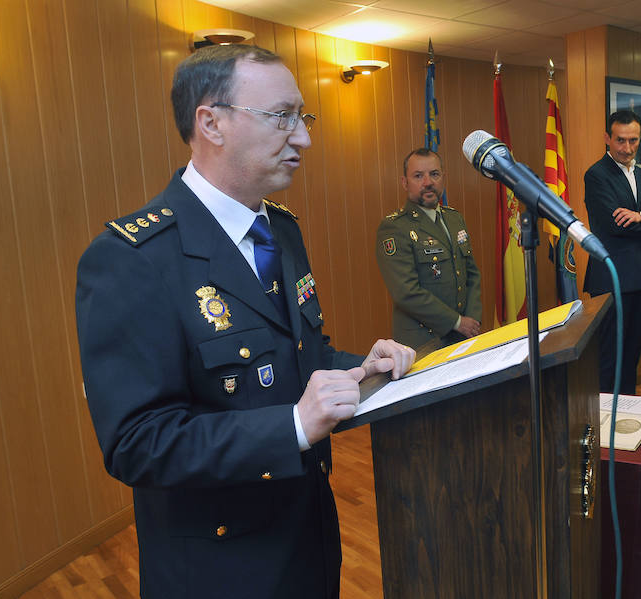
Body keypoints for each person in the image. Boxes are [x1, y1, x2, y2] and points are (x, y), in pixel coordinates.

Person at [75, 44, 415, 599]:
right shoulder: (132, 258)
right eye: (282, 117)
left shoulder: (279, 230)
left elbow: (297, 357)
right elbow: (138, 442)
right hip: (222, 567)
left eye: (302, 118)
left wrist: (361, 367)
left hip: (308, 538)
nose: (303, 137)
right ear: (211, 123)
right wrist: (292, 429)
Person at [582, 110, 641, 394]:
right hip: (612, 279)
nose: (627, 148)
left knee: (632, 353)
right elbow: (615, 225)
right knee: (610, 357)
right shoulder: (596, 175)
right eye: (621, 140)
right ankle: (606, 421)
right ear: (607, 138)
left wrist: (640, 217)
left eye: (633, 140)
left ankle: (627, 411)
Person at [375, 148, 482, 349]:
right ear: (404, 183)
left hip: (464, 336)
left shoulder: (454, 218)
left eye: (434, 174)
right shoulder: (395, 228)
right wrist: (458, 322)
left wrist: (472, 321)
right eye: (418, 176)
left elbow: (472, 274)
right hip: (423, 342)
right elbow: (406, 292)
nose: (428, 182)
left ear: (443, 177)